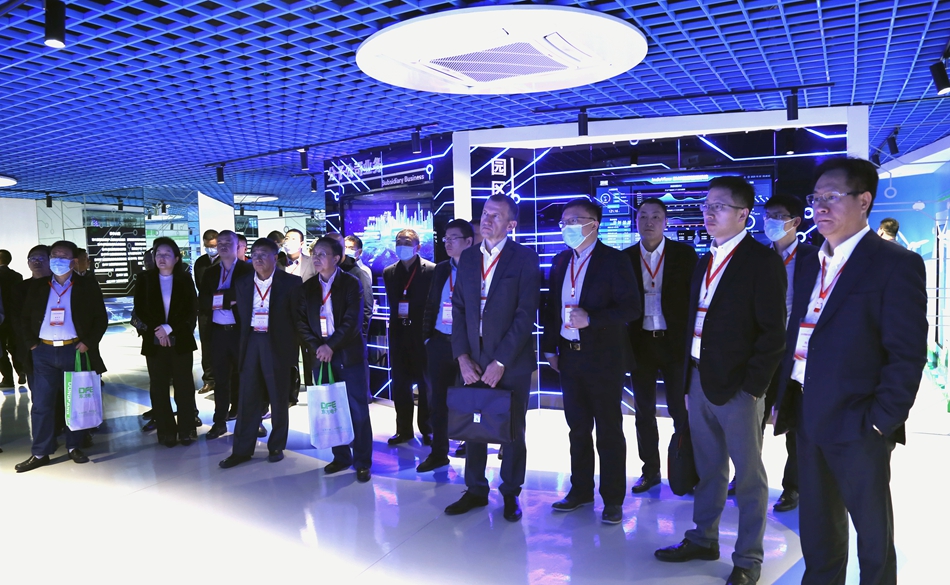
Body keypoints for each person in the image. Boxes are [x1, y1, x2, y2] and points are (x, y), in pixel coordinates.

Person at [773, 157, 927, 585]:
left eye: (832, 196)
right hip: (808, 412)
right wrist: (783, 396)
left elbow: (906, 352)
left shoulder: (893, 263)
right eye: (816, 197)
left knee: (872, 531)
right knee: (818, 524)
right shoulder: (810, 261)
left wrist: (881, 421)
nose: (820, 206)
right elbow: (800, 330)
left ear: (864, 201)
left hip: (860, 419)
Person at [654, 177, 787, 585]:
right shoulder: (704, 259)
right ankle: (703, 538)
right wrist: (685, 382)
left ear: (744, 214)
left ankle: (748, 559)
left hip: (739, 388)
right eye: (707, 205)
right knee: (709, 468)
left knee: (748, 478)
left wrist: (753, 388)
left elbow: (773, 334)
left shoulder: (761, 261)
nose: (709, 213)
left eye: (719, 206)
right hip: (699, 378)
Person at [542, 198, 640, 524]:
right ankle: (580, 490)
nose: (567, 226)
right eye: (564, 221)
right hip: (569, 356)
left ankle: (612, 499)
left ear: (593, 224)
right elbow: (551, 307)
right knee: (577, 428)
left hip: (604, 358)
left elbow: (631, 308)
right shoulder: (560, 261)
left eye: (574, 220)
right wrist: (550, 348)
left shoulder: (614, 260)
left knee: (609, 430)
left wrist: (592, 319)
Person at [444, 194, 541, 522]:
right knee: (474, 426)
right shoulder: (469, 257)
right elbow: (458, 308)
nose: (486, 220)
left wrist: (500, 362)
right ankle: (475, 489)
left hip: (510, 360)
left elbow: (526, 314)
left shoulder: (525, 258)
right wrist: (461, 356)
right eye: (485, 213)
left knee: (511, 428)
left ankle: (511, 492)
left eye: (495, 216)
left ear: (511, 224)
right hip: (472, 356)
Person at [14, 240, 108, 472]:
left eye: (63, 256)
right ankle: (40, 451)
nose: (57, 259)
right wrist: (31, 344)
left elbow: (100, 318)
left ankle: (74, 446)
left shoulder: (86, 286)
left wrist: (88, 342)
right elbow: (24, 318)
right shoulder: (40, 286)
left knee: (75, 402)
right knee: (42, 404)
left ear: (73, 261)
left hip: (74, 350)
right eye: (54, 255)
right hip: (43, 352)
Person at [624, 198, 698, 494]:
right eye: (643, 216)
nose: (649, 222)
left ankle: (687, 471)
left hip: (675, 343)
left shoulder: (684, 255)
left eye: (656, 216)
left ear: (666, 222)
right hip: (640, 342)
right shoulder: (626, 257)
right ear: (636, 221)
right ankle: (650, 470)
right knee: (643, 411)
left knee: (681, 410)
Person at [219, 238, 302, 468]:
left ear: (275, 258)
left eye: (263, 254)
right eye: (254, 254)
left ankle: (276, 445)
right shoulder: (243, 282)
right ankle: (242, 450)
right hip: (251, 341)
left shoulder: (291, 283)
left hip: (278, 345)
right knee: (247, 397)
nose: (257, 258)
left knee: (278, 398)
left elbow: (297, 319)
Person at [297, 236, 373, 482]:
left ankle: (363, 461)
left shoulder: (351, 283)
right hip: (321, 355)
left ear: (337, 258)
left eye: (322, 254)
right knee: (330, 407)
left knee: (357, 410)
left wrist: (331, 345)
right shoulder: (308, 287)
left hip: (348, 354)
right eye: (315, 253)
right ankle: (341, 456)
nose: (316, 258)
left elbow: (353, 322)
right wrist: (318, 347)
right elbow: (301, 322)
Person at [761, 193, 816, 513]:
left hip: (797, 352)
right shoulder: (756, 257)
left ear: (795, 221)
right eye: (767, 215)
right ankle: (745, 477)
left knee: (794, 423)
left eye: (778, 216)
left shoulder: (813, 257)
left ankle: (793, 487)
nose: (770, 221)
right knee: (751, 420)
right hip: (761, 350)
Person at [418, 219, 474, 472]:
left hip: (469, 346)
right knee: (438, 400)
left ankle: (471, 445)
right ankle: (439, 452)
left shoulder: (478, 268)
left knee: (470, 399)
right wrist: (428, 338)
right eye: (445, 238)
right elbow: (431, 305)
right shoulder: (441, 269)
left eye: (453, 238)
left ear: (469, 241)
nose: (447, 243)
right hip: (440, 341)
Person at [134, 237, 199, 447]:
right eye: (158, 254)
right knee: (159, 387)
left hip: (181, 339)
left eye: (167, 254)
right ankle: (166, 431)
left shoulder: (185, 279)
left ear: (177, 258)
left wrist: (169, 329)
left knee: (184, 385)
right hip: (154, 341)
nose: (162, 258)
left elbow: (190, 310)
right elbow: (140, 309)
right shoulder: (144, 279)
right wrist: (159, 330)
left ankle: (187, 429)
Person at [382, 228, 435, 445]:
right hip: (398, 335)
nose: (402, 245)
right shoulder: (389, 272)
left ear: (418, 246)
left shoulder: (431, 270)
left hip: (422, 336)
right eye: (398, 241)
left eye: (407, 242)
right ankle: (403, 430)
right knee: (400, 385)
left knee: (426, 385)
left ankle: (428, 429)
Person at [198, 230, 252, 438]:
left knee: (246, 378)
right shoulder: (211, 272)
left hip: (240, 332)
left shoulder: (247, 269)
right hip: (218, 333)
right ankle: (219, 422)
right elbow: (203, 301)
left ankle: (251, 420)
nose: (222, 245)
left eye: (228, 242)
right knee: (221, 381)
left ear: (238, 245)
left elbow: (247, 296)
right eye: (219, 242)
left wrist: (220, 298)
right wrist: (229, 299)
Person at [327, 233, 373, 339]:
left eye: (350, 248)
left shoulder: (360, 273)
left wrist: (360, 334)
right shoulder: (327, 270)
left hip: (351, 336)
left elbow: (366, 307)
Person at [194, 229, 219, 395]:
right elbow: (199, 284)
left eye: (214, 246)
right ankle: (209, 379)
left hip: (223, 309)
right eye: (208, 246)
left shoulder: (225, 261)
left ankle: (223, 378)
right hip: (204, 309)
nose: (211, 249)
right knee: (207, 345)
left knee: (222, 345)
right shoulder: (200, 262)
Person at [0, 249, 25, 388]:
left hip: (1, 319)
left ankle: (8, 378)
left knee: (1, 350)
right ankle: (21, 370)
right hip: (14, 318)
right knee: (15, 347)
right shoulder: (17, 276)